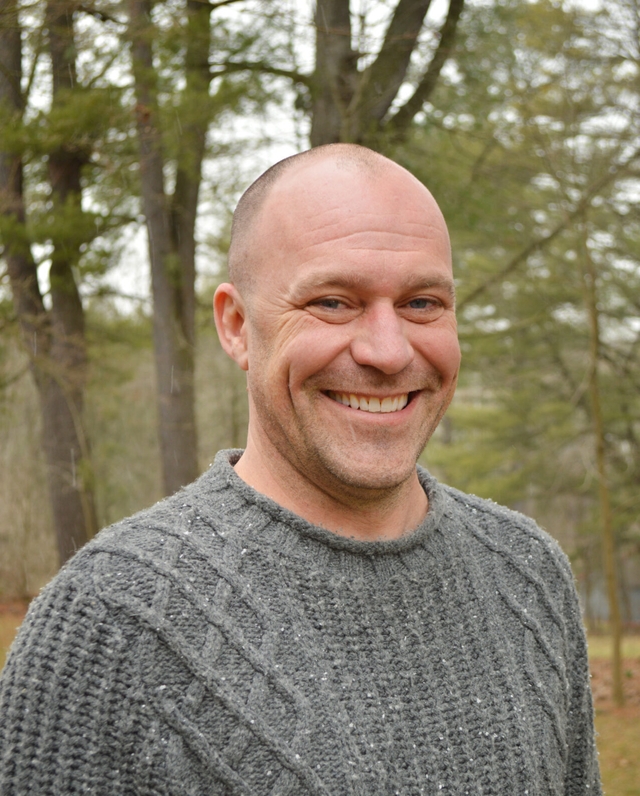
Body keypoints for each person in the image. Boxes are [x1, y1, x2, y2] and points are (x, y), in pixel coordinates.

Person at [0, 145, 600, 795]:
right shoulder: (112, 617)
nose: (387, 351)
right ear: (236, 326)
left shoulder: (527, 572)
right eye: (333, 302)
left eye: (422, 303)